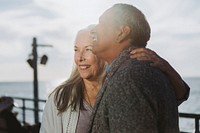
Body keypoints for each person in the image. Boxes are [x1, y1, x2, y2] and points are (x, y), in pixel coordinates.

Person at [40, 26, 189, 133]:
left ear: (102, 52)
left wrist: (165, 67)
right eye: (76, 49)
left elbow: (178, 96)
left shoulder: (123, 85)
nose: (79, 57)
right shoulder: (59, 99)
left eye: (88, 49)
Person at [89, 3, 182, 133]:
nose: (93, 30)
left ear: (122, 33)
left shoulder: (128, 77)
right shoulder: (144, 69)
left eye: (101, 23)